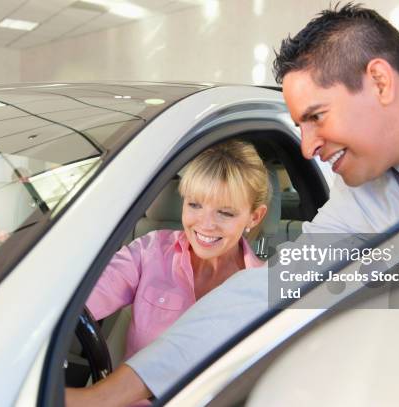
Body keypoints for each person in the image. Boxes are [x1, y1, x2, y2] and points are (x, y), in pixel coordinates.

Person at [66, 3, 399, 405]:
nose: (306, 148)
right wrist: (107, 396)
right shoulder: (363, 200)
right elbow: (264, 293)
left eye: (316, 118)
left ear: (380, 81)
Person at [65, 140, 270, 405]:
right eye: (194, 205)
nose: (205, 224)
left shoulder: (263, 290)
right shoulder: (149, 252)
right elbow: (75, 304)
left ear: (254, 217)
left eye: (225, 212)